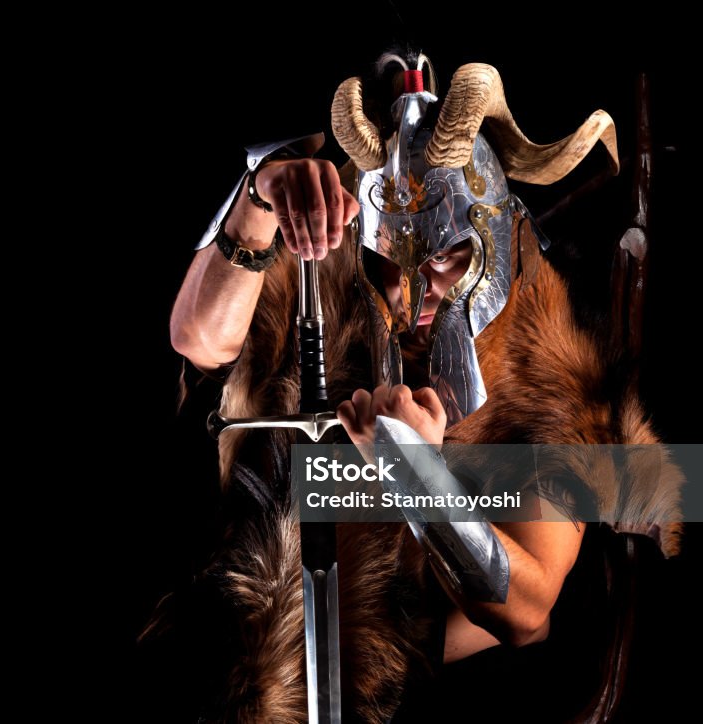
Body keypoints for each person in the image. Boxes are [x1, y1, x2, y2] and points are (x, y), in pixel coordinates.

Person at [145, 52, 684, 722]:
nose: (410, 292)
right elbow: (200, 339)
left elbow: (527, 609)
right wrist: (261, 197)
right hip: (228, 606)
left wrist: (420, 473)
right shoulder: (331, 271)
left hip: (399, 667)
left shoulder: (545, 372)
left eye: (446, 258)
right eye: (388, 260)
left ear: (496, 235)